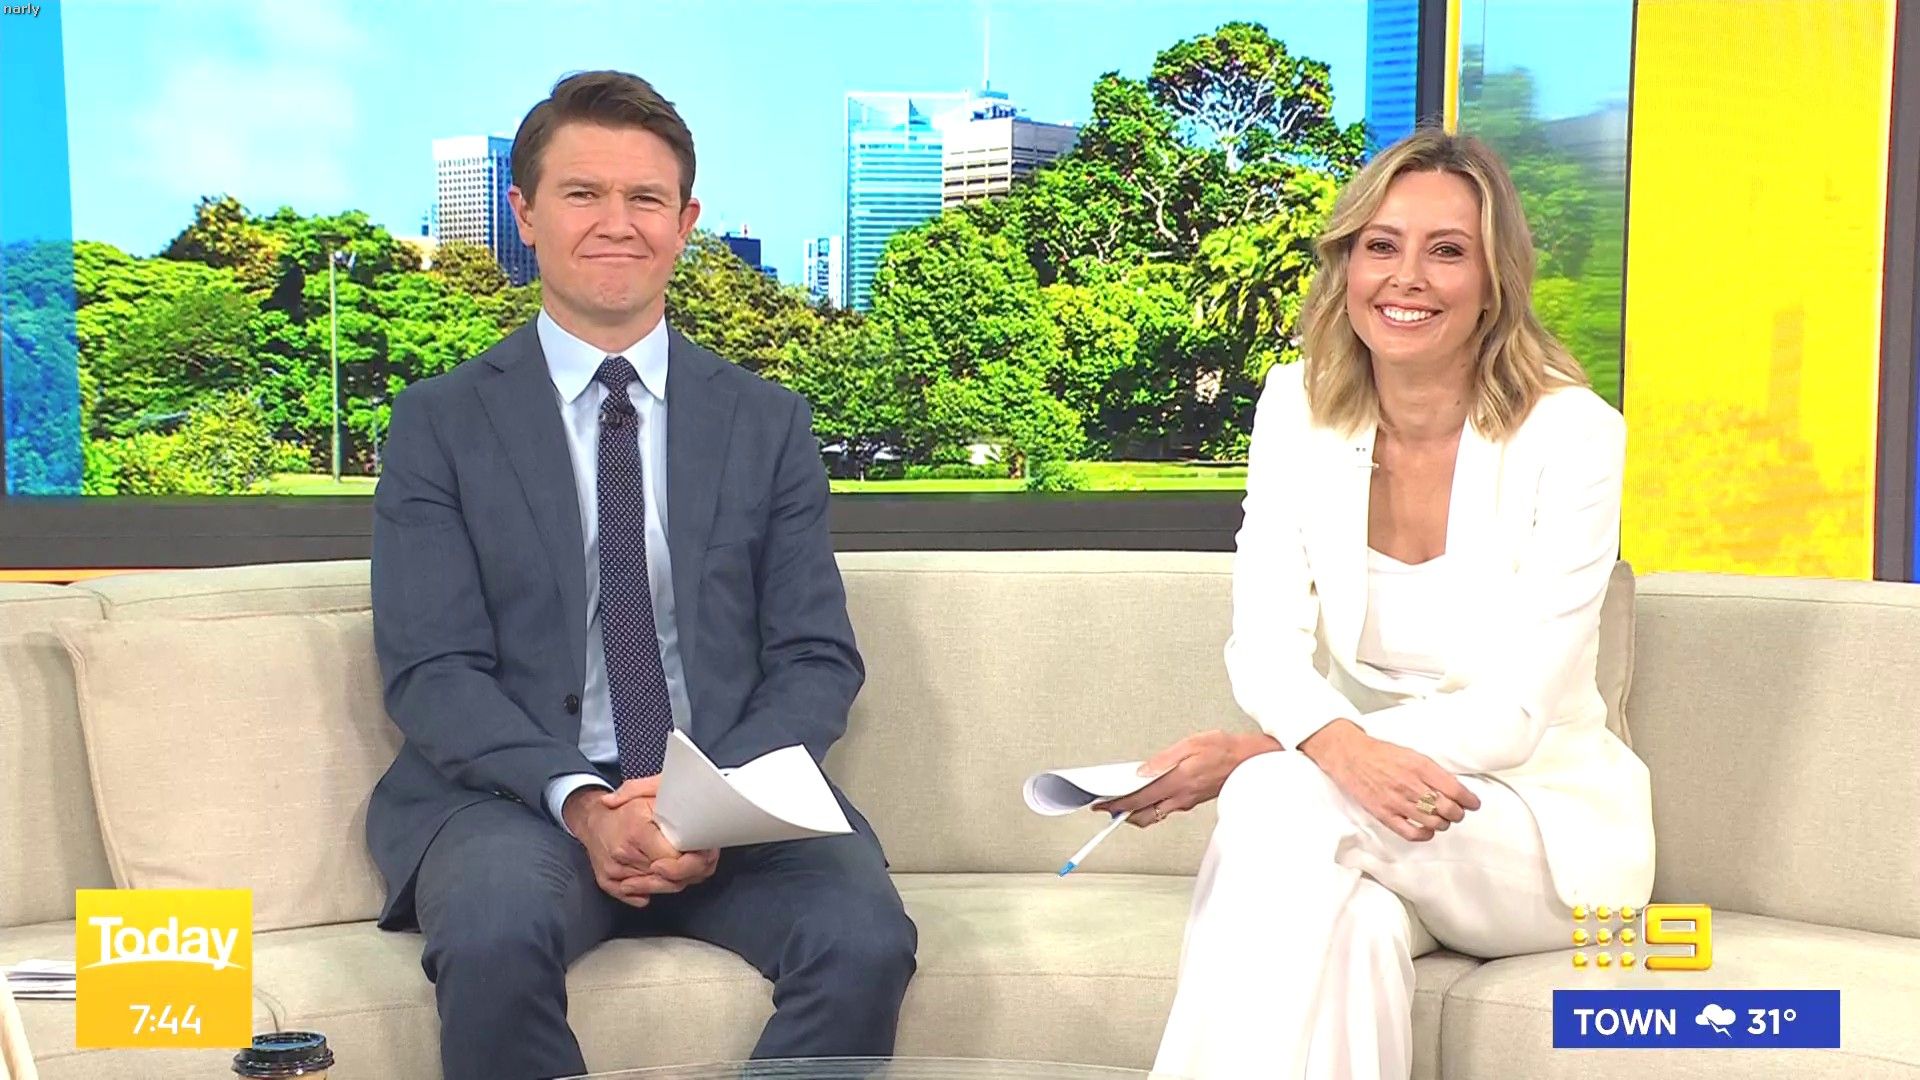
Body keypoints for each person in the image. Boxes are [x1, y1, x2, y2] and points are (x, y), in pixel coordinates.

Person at [365, 70, 917, 1080]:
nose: (616, 222)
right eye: (582, 193)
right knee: (492, 935)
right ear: (525, 214)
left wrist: (705, 804)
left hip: (732, 799)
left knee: (865, 938)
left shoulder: (768, 422)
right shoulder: (438, 423)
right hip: (519, 803)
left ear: (685, 222)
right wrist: (585, 801)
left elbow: (814, 657)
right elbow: (432, 669)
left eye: (646, 198)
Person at [1095, 128, 1655, 1079]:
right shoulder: (1297, 407)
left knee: (1272, 793)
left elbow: (1515, 714)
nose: (1408, 278)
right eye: (1381, 245)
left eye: (1448, 251)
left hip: (1535, 833)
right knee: (1349, 938)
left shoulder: (1573, 435)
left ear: (1495, 280)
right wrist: (1334, 749)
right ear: (1347, 265)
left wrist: (1289, 752)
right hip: (1362, 813)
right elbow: (1263, 645)